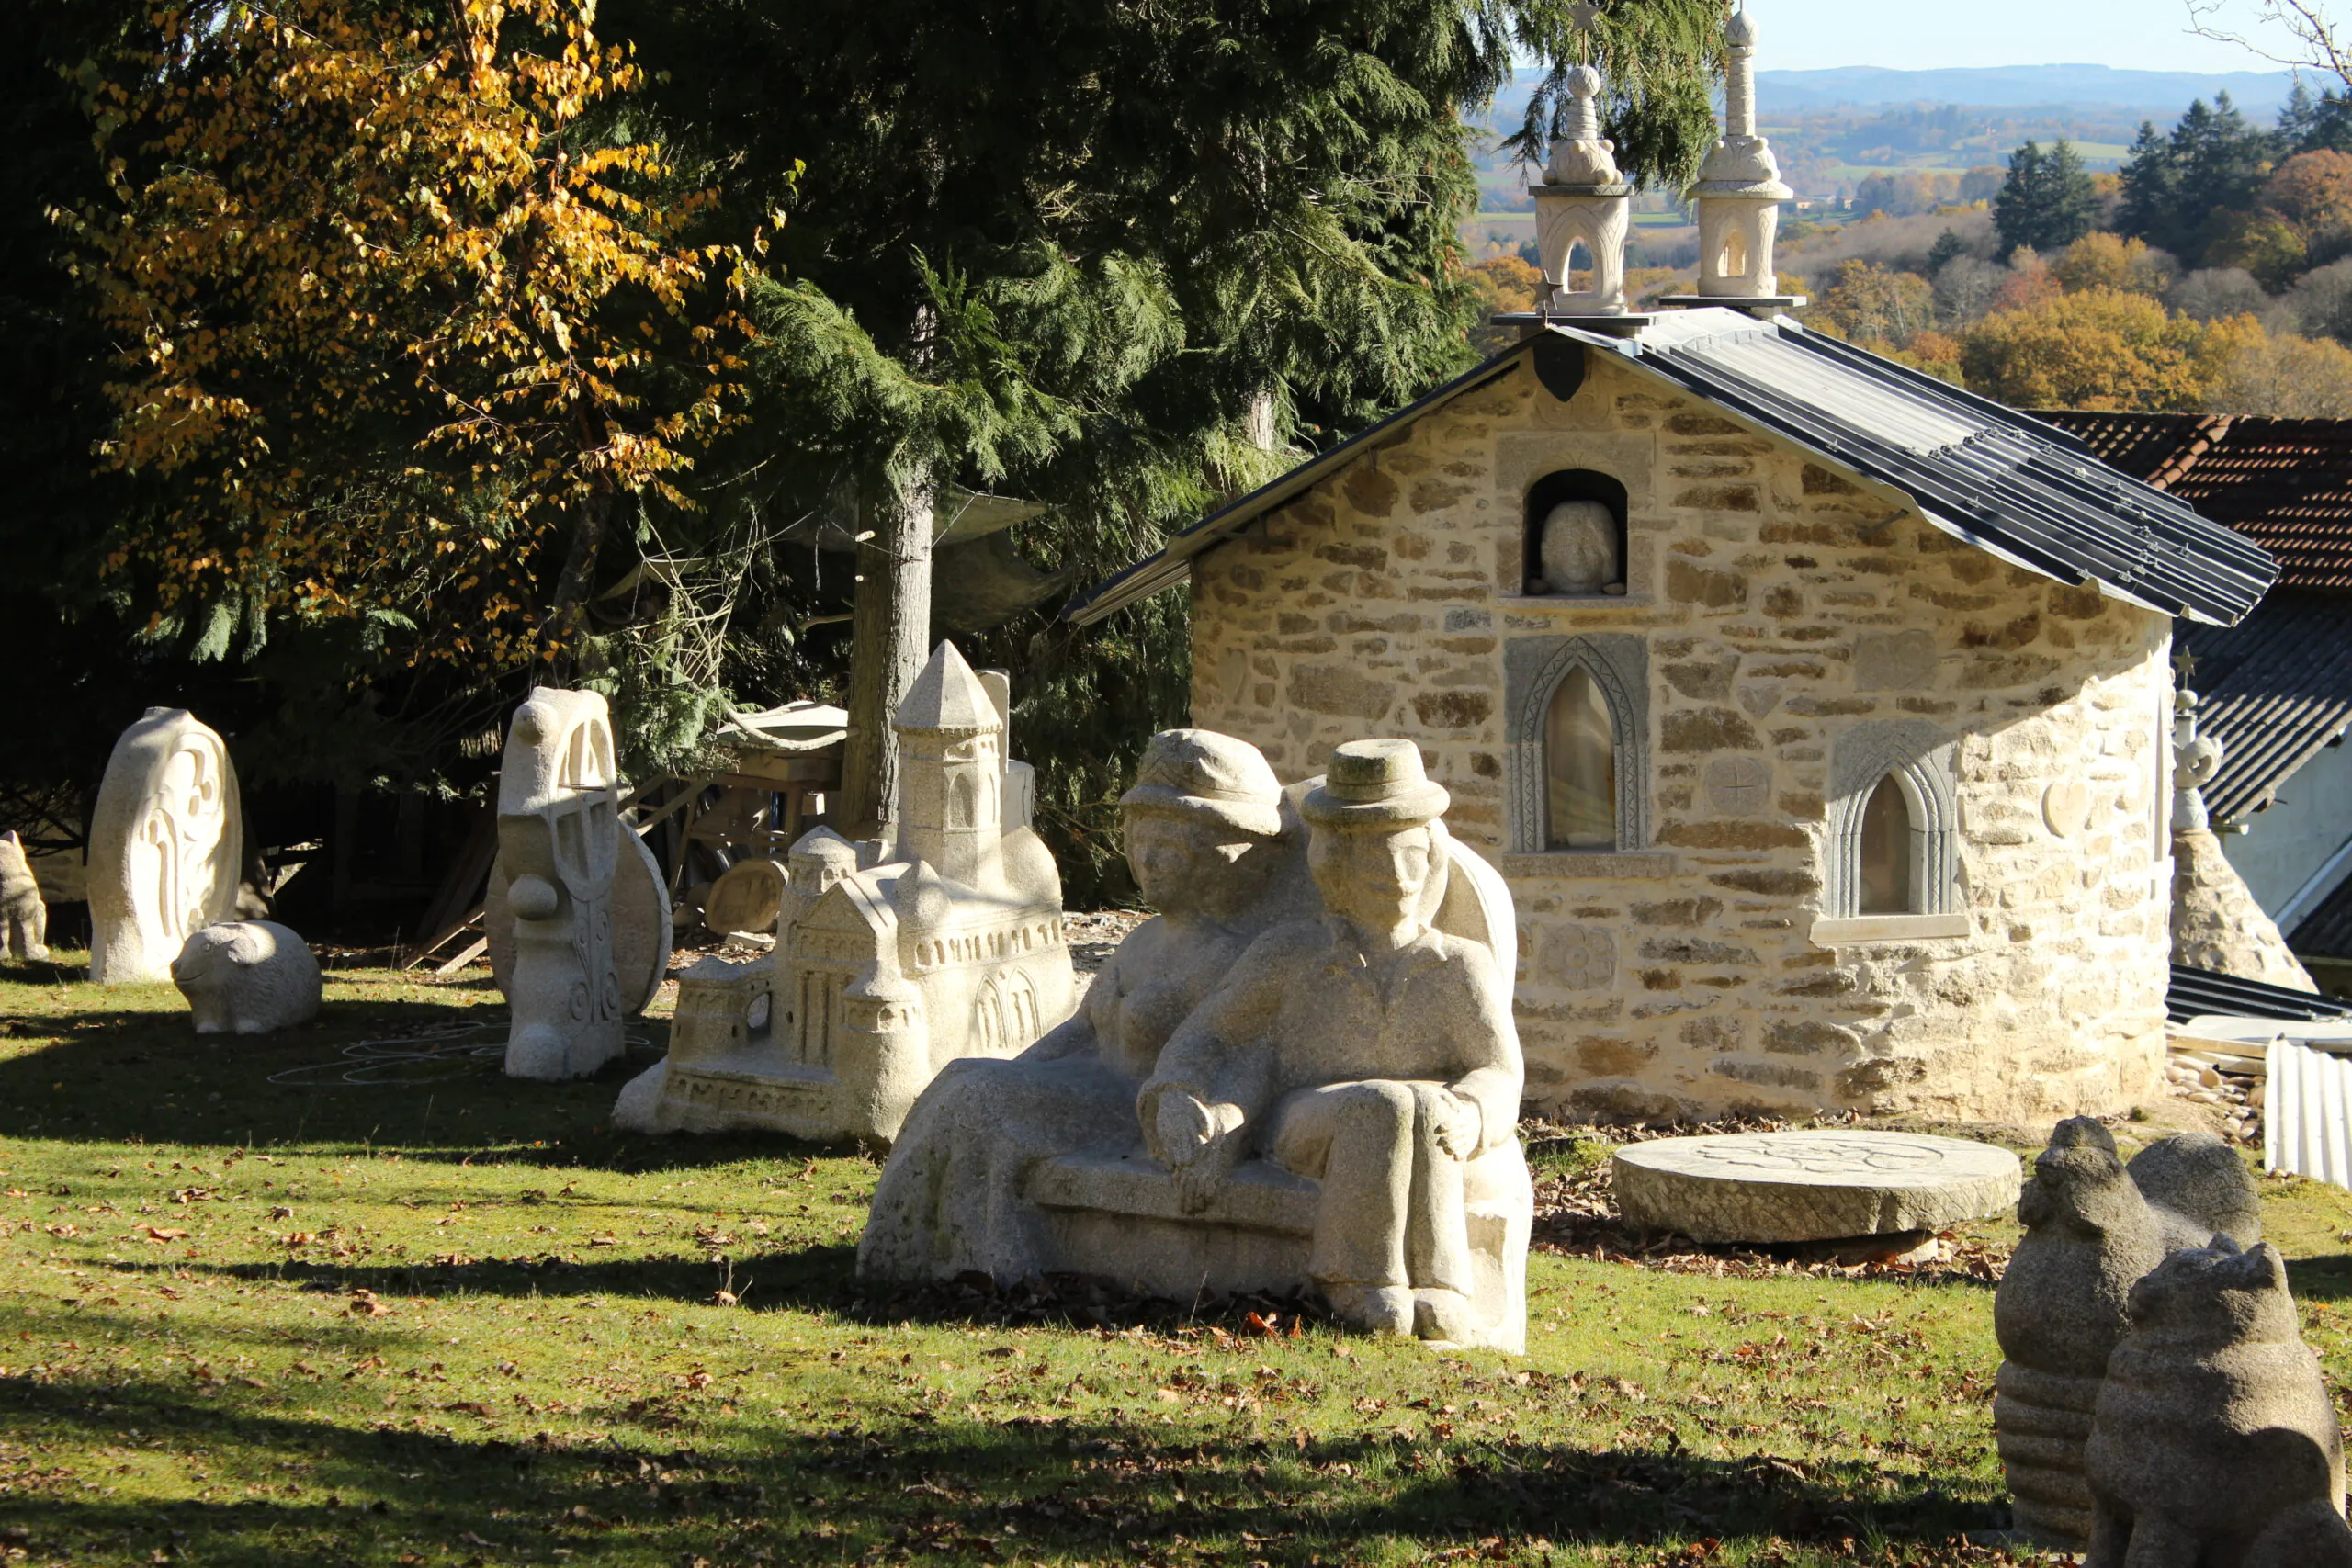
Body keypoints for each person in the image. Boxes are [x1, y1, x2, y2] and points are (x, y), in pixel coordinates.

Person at [857, 730, 1306, 1284]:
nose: (1147, 858)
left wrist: (1215, 1135)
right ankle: (918, 1255)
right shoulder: (1143, 942)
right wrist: (1016, 1073)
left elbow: (1248, 1055)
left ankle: (985, 1265)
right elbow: (1079, 1029)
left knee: (981, 1103)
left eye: (1169, 844)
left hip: (1129, 1112)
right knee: (965, 1079)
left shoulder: (1237, 957)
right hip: (1081, 1087)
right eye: (1140, 838)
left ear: (1223, 854)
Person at [1137, 739, 1521, 1341]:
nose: (1398, 877)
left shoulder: (1459, 966)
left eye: (1413, 858)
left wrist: (1475, 1111)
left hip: (1424, 1125)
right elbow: (1208, 1033)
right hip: (1302, 1123)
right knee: (1382, 1104)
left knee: (1426, 1106)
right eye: (1377, 860)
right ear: (1337, 864)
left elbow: (1499, 1071)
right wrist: (1177, 1094)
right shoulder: (1292, 953)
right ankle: (1361, 1279)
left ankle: (1442, 1284)